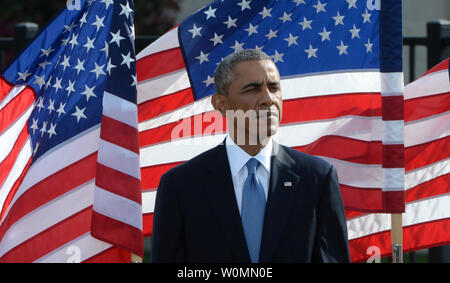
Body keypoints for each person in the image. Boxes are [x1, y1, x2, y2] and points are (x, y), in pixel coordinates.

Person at [151, 49, 351, 263]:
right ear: (221, 104)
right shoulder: (181, 185)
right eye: (252, 89)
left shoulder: (317, 178)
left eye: (274, 88)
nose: (268, 99)